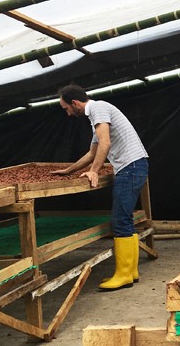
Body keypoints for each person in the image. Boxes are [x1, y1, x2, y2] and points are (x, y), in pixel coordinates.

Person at [52, 84, 148, 291]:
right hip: (132, 167)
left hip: (130, 167)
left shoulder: (99, 108)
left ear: (75, 103)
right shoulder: (96, 116)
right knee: (125, 219)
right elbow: (91, 153)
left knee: (119, 221)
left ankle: (123, 275)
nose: (67, 113)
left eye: (66, 108)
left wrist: (94, 171)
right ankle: (131, 272)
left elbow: (105, 144)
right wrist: (69, 171)